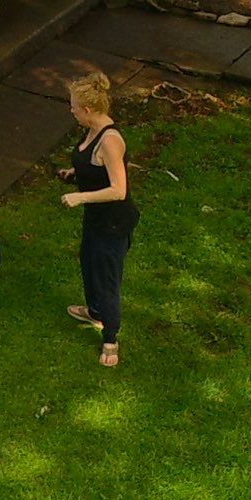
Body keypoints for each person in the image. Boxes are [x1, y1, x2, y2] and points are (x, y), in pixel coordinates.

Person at [62, 73, 139, 367]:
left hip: (113, 223)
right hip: (96, 218)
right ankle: (95, 312)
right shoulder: (91, 131)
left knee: (107, 278)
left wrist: (80, 197)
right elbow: (94, 167)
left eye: (73, 107)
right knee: (88, 262)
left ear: (87, 110)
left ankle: (110, 339)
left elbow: (119, 190)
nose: (71, 110)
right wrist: (74, 174)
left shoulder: (110, 141)